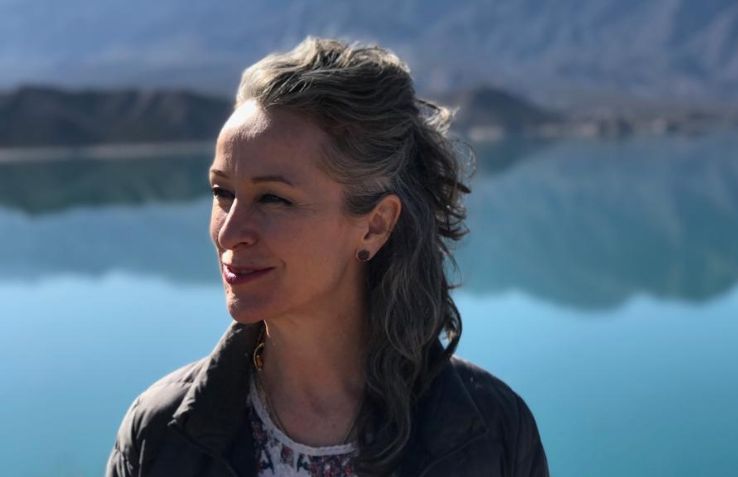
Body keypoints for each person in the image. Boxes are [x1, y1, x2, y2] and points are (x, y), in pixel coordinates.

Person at [105, 37, 549, 477]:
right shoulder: (158, 437)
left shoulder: (493, 433)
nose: (229, 233)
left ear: (375, 225)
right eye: (223, 193)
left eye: (273, 199)